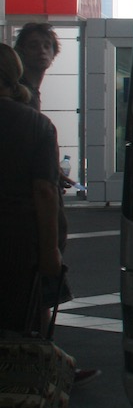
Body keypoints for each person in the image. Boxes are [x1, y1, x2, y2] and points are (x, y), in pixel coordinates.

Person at [12, 24, 98, 384]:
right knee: (36, 286)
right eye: (32, 46)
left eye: (46, 45)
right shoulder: (23, 101)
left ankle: (43, 364)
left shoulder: (32, 94)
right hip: (26, 217)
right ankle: (42, 366)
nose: (41, 52)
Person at [0, 43, 62, 335]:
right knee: (19, 322)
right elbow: (45, 192)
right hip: (18, 238)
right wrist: (50, 251)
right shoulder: (38, 125)